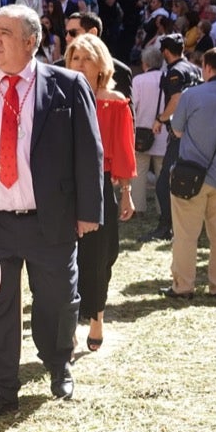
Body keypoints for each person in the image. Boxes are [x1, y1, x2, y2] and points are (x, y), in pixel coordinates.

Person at [0, 4, 104, 414]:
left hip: (50, 218)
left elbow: (88, 153)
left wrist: (88, 211)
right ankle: (1, 390)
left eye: (5, 32)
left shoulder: (67, 85)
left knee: (57, 299)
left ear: (31, 41)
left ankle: (58, 363)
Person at [64, 34, 136, 350]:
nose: (80, 65)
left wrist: (127, 192)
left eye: (86, 59)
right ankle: (68, 323)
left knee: (101, 256)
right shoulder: (57, 95)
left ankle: (97, 319)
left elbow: (123, 149)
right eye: (74, 58)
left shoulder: (115, 101)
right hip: (64, 186)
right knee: (66, 255)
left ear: (101, 65)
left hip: (101, 184)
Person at [162, 47, 216, 301]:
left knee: (185, 236)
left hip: (190, 177)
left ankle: (183, 287)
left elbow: (177, 130)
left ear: (208, 68)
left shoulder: (192, 95)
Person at [143, 34, 202, 241]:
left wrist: (160, 119)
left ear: (165, 51)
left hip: (180, 134)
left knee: (164, 183)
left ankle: (165, 226)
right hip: (196, 133)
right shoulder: (194, 69)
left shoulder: (175, 71)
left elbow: (176, 99)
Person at [131, 46, 169, 212]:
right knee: (163, 173)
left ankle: (138, 208)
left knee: (139, 171)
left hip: (141, 132)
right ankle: (163, 209)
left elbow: (134, 106)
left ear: (144, 62)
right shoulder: (169, 78)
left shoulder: (139, 80)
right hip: (164, 133)